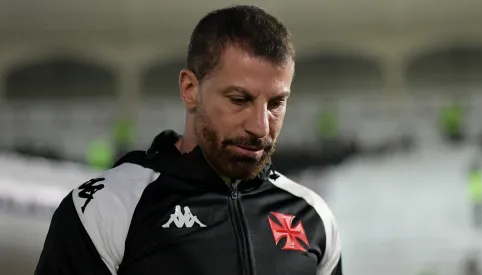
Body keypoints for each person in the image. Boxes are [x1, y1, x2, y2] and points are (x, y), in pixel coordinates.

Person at [34, 5, 342, 275]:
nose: (261, 127)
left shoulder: (313, 216)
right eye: (239, 99)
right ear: (190, 89)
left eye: (276, 104)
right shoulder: (107, 207)